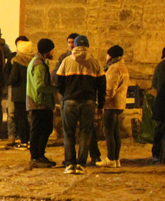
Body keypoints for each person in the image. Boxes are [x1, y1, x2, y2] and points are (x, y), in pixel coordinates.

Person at [56, 35, 105, 174]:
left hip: (70, 101)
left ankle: (69, 164)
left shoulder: (66, 61)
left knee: (69, 133)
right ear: (88, 46)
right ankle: (81, 165)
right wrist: (100, 105)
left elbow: (59, 83)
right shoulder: (95, 62)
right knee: (85, 133)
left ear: (75, 46)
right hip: (88, 102)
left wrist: (66, 95)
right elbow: (102, 86)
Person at [96, 45, 129, 168]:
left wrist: (101, 104)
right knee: (115, 133)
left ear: (110, 56)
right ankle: (116, 159)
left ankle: (110, 158)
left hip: (111, 105)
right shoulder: (123, 67)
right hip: (119, 104)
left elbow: (109, 89)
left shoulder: (114, 68)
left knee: (109, 132)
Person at [27, 38, 58, 168]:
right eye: (52, 50)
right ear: (47, 51)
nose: (53, 53)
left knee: (44, 129)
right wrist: (54, 88)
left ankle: (40, 155)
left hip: (40, 102)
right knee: (39, 130)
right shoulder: (39, 64)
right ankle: (36, 156)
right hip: (39, 102)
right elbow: (39, 85)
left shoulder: (38, 62)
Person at [6, 38, 34, 148]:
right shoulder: (34, 60)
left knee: (21, 118)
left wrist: (7, 81)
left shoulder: (17, 61)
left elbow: (13, 77)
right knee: (30, 118)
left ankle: (23, 140)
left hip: (18, 94)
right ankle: (31, 140)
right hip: (30, 93)